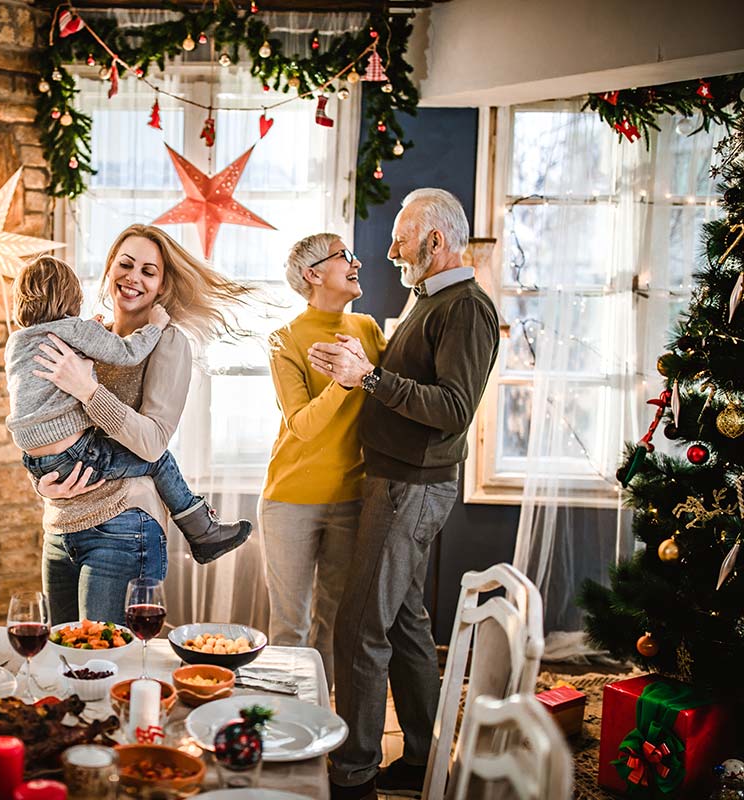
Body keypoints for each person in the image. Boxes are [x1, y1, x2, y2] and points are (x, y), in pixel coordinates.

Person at [310, 188, 499, 800]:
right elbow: (414, 385)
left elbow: (451, 410)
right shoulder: (434, 300)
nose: (390, 251)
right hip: (399, 482)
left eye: (401, 237)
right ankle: (422, 758)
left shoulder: (466, 308)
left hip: (410, 489)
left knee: (359, 628)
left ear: (435, 241)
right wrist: (366, 367)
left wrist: (367, 376)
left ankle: (354, 773)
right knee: (408, 623)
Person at [29, 224, 254, 624]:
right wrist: (41, 480)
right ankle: (199, 523)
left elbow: (152, 444)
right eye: (126, 264)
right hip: (60, 526)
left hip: (122, 529)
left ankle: (198, 524)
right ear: (109, 269)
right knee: (58, 661)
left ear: (162, 287)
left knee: (103, 664)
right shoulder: (87, 336)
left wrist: (88, 389)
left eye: (148, 271)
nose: (133, 277)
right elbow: (42, 419)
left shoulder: (168, 342)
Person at [260, 233, 385, 689]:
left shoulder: (368, 330)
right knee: (290, 627)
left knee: (332, 626)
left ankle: (320, 729)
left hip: (353, 498)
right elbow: (303, 425)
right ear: (314, 274)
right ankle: (284, 722)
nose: (357, 262)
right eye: (344, 256)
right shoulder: (284, 340)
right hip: (290, 500)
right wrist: (345, 381)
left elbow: (393, 392)